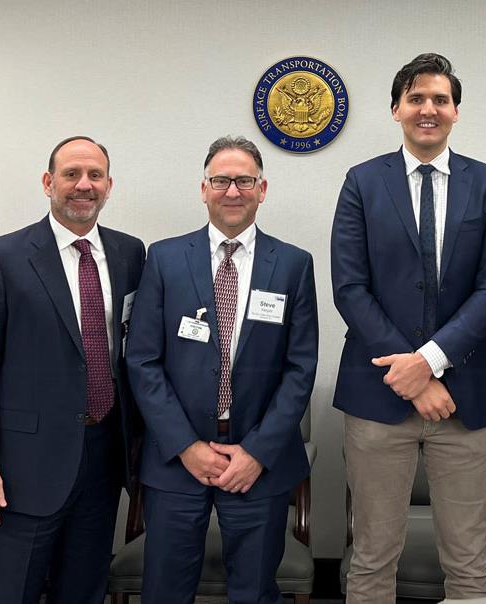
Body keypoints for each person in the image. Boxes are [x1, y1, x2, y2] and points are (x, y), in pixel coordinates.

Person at [331, 53, 486, 601]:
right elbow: (350, 287)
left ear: (456, 111)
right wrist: (411, 373)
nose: (428, 109)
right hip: (377, 395)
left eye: (440, 99)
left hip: (466, 399)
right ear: (396, 110)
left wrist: (430, 363)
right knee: (371, 560)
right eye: (416, 99)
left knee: (468, 563)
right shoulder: (362, 182)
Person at [126, 136, 318, 604]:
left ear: (263, 188)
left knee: (254, 591)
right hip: (177, 459)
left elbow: (300, 368)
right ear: (204, 187)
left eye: (244, 180)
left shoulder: (293, 264)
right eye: (221, 180)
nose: (233, 191)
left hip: (258, 461)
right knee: (165, 591)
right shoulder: (165, 258)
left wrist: (256, 451)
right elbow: (143, 360)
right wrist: (186, 447)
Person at [0, 136, 145, 603]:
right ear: (48, 182)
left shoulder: (131, 254)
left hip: (104, 457)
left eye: (95, 175)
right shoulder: (2, 257)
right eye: (71, 174)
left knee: (84, 590)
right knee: (15, 592)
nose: (83, 185)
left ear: (109, 186)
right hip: (24, 466)